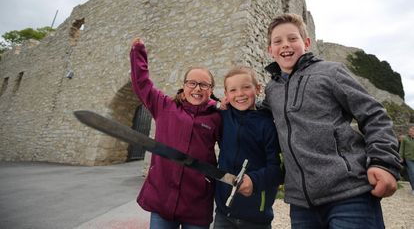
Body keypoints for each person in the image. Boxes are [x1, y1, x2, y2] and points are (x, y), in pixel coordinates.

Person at [264, 13, 402, 228]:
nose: (285, 45)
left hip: (349, 195)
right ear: (270, 50)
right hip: (301, 206)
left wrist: (383, 162)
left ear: (307, 42)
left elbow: (374, 114)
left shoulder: (330, 72)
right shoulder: (272, 90)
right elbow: (255, 115)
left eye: (293, 39)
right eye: (277, 41)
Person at [130, 38, 222, 229]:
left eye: (204, 85)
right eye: (192, 83)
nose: (197, 89)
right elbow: (142, 84)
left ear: (211, 90)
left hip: (196, 202)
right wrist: (138, 52)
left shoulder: (218, 116)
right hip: (162, 199)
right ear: (184, 85)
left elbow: (232, 145)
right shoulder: (164, 106)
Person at [213, 66, 284, 229]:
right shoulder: (223, 116)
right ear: (226, 94)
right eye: (233, 90)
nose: (240, 94)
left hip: (256, 218)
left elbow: (276, 170)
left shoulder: (268, 125)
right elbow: (202, 106)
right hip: (224, 214)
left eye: (246, 87)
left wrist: (255, 180)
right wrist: (216, 104)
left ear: (258, 89)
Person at [399, 126, 414, 195]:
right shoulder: (405, 139)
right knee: (412, 173)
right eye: (410, 131)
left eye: (412, 131)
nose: (411, 132)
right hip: (408, 159)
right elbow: (402, 148)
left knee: (411, 174)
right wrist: (400, 157)